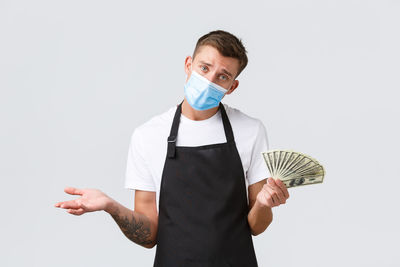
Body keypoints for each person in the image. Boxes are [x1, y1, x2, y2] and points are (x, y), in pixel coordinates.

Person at [54, 30, 290, 266]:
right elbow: (149, 237)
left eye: (222, 76)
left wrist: (262, 204)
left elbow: (257, 227)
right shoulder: (148, 136)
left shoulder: (250, 131)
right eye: (204, 68)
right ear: (189, 65)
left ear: (232, 87)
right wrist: (110, 206)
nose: (209, 81)